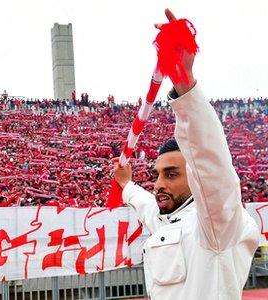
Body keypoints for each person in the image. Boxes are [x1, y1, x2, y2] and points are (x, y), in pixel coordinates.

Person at [111, 9, 259, 299]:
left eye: (172, 174)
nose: (159, 184)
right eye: (157, 175)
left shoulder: (217, 225)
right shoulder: (165, 218)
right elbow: (145, 205)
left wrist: (184, 82)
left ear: (196, 179)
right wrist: (126, 185)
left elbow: (211, 163)